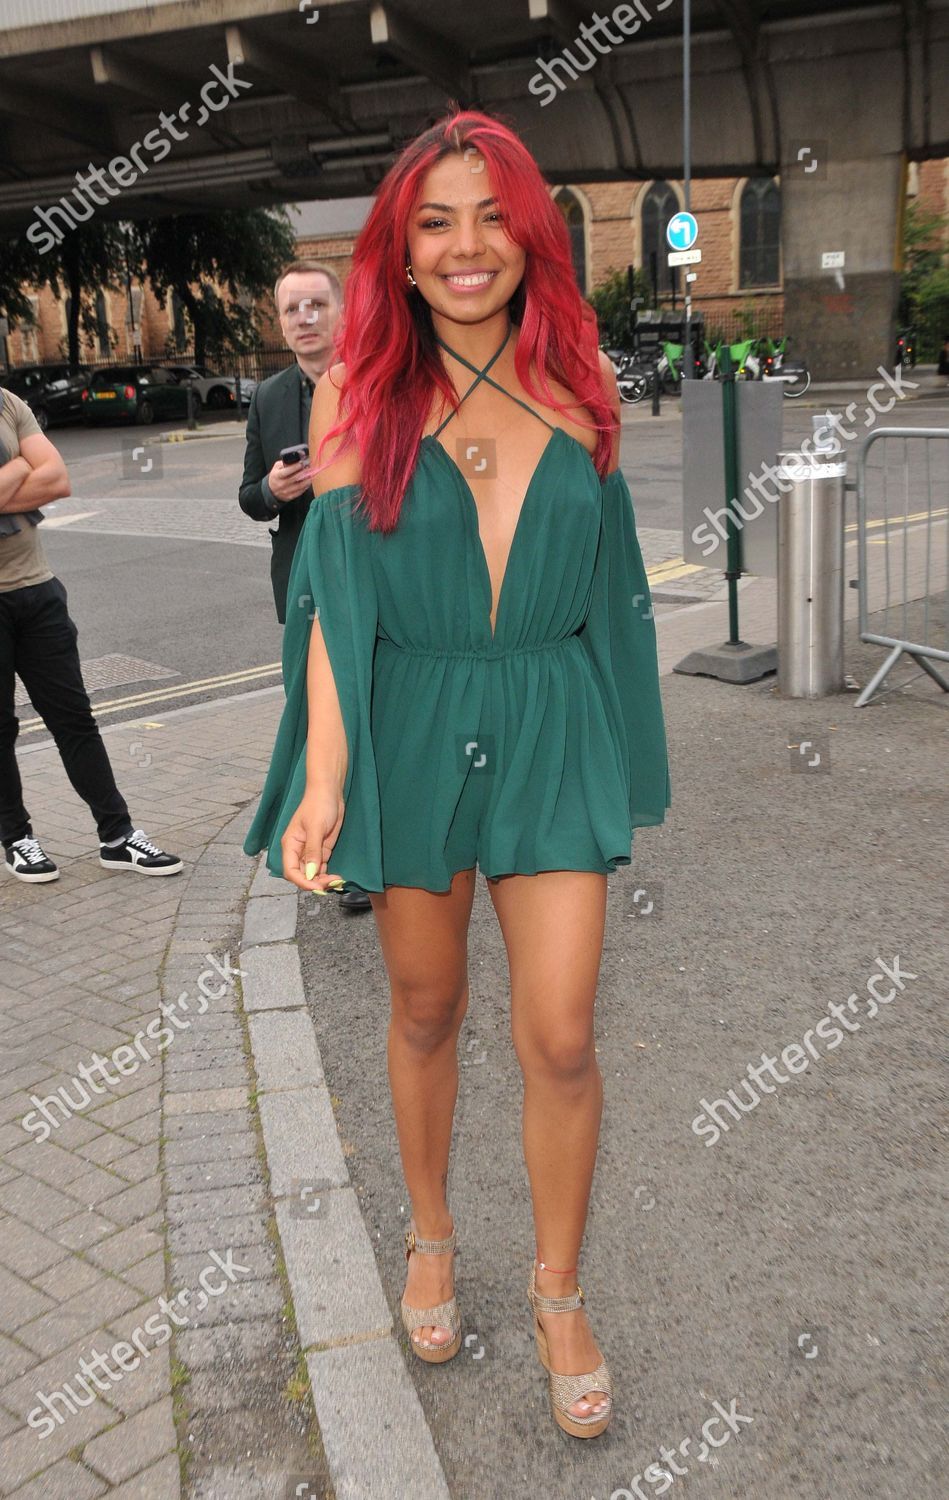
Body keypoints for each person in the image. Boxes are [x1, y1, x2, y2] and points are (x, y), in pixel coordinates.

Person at [244, 107, 670, 1439]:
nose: (466, 244)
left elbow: (609, 591)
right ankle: (430, 1234)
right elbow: (336, 606)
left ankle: (558, 1291)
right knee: (426, 1008)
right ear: (401, 251)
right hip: (413, 719)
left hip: (548, 716)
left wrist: (617, 742)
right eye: (435, 222)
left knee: (562, 1032)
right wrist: (325, 780)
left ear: (532, 235)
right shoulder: (354, 395)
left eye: (493, 217)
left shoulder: (582, 386)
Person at [0, 387, 181, 883]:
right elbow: (38, 470)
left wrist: (17, 474)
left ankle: (118, 837)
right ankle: (17, 837)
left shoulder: (7, 403)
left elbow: (57, 478)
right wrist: (21, 465)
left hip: (37, 589)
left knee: (75, 719)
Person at [239, 258, 370, 913]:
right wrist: (273, 488)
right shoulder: (267, 397)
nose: (304, 318)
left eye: (316, 304)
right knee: (317, 721)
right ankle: (338, 859)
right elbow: (247, 496)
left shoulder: (376, 381)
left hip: (373, 581)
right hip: (302, 584)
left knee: (372, 718)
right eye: (292, 309)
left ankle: (380, 851)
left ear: (342, 313)